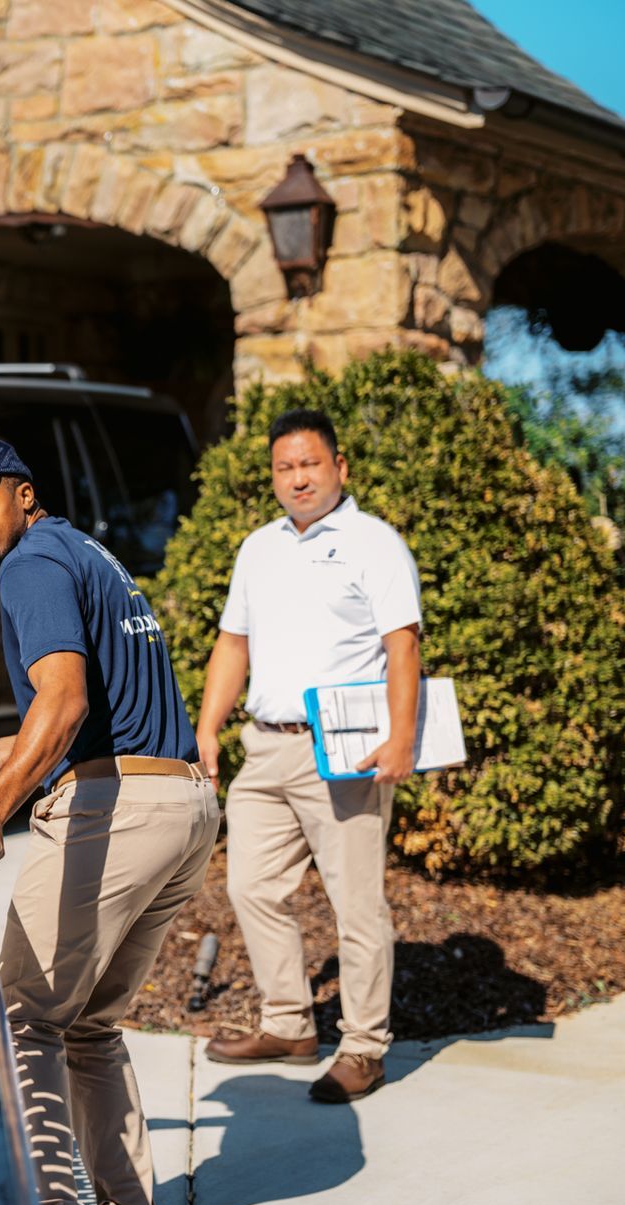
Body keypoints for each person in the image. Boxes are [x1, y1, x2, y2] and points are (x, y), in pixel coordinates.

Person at [0, 439, 219, 1205]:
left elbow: (64, 704)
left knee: (20, 1021)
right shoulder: (90, 553)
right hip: (183, 810)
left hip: (115, 815)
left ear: (24, 495)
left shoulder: (31, 563)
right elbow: (95, 705)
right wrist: (11, 751)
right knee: (89, 1028)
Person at [195, 407, 422, 1104]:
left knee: (356, 906)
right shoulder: (258, 548)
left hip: (343, 752)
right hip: (265, 747)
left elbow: (402, 645)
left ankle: (363, 1047)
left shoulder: (374, 543)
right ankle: (290, 1024)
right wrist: (207, 728)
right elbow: (234, 644)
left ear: (339, 468)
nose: (298, 478)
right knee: (251, 886)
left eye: (310, 464)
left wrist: (403, 738)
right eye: (285, 468)